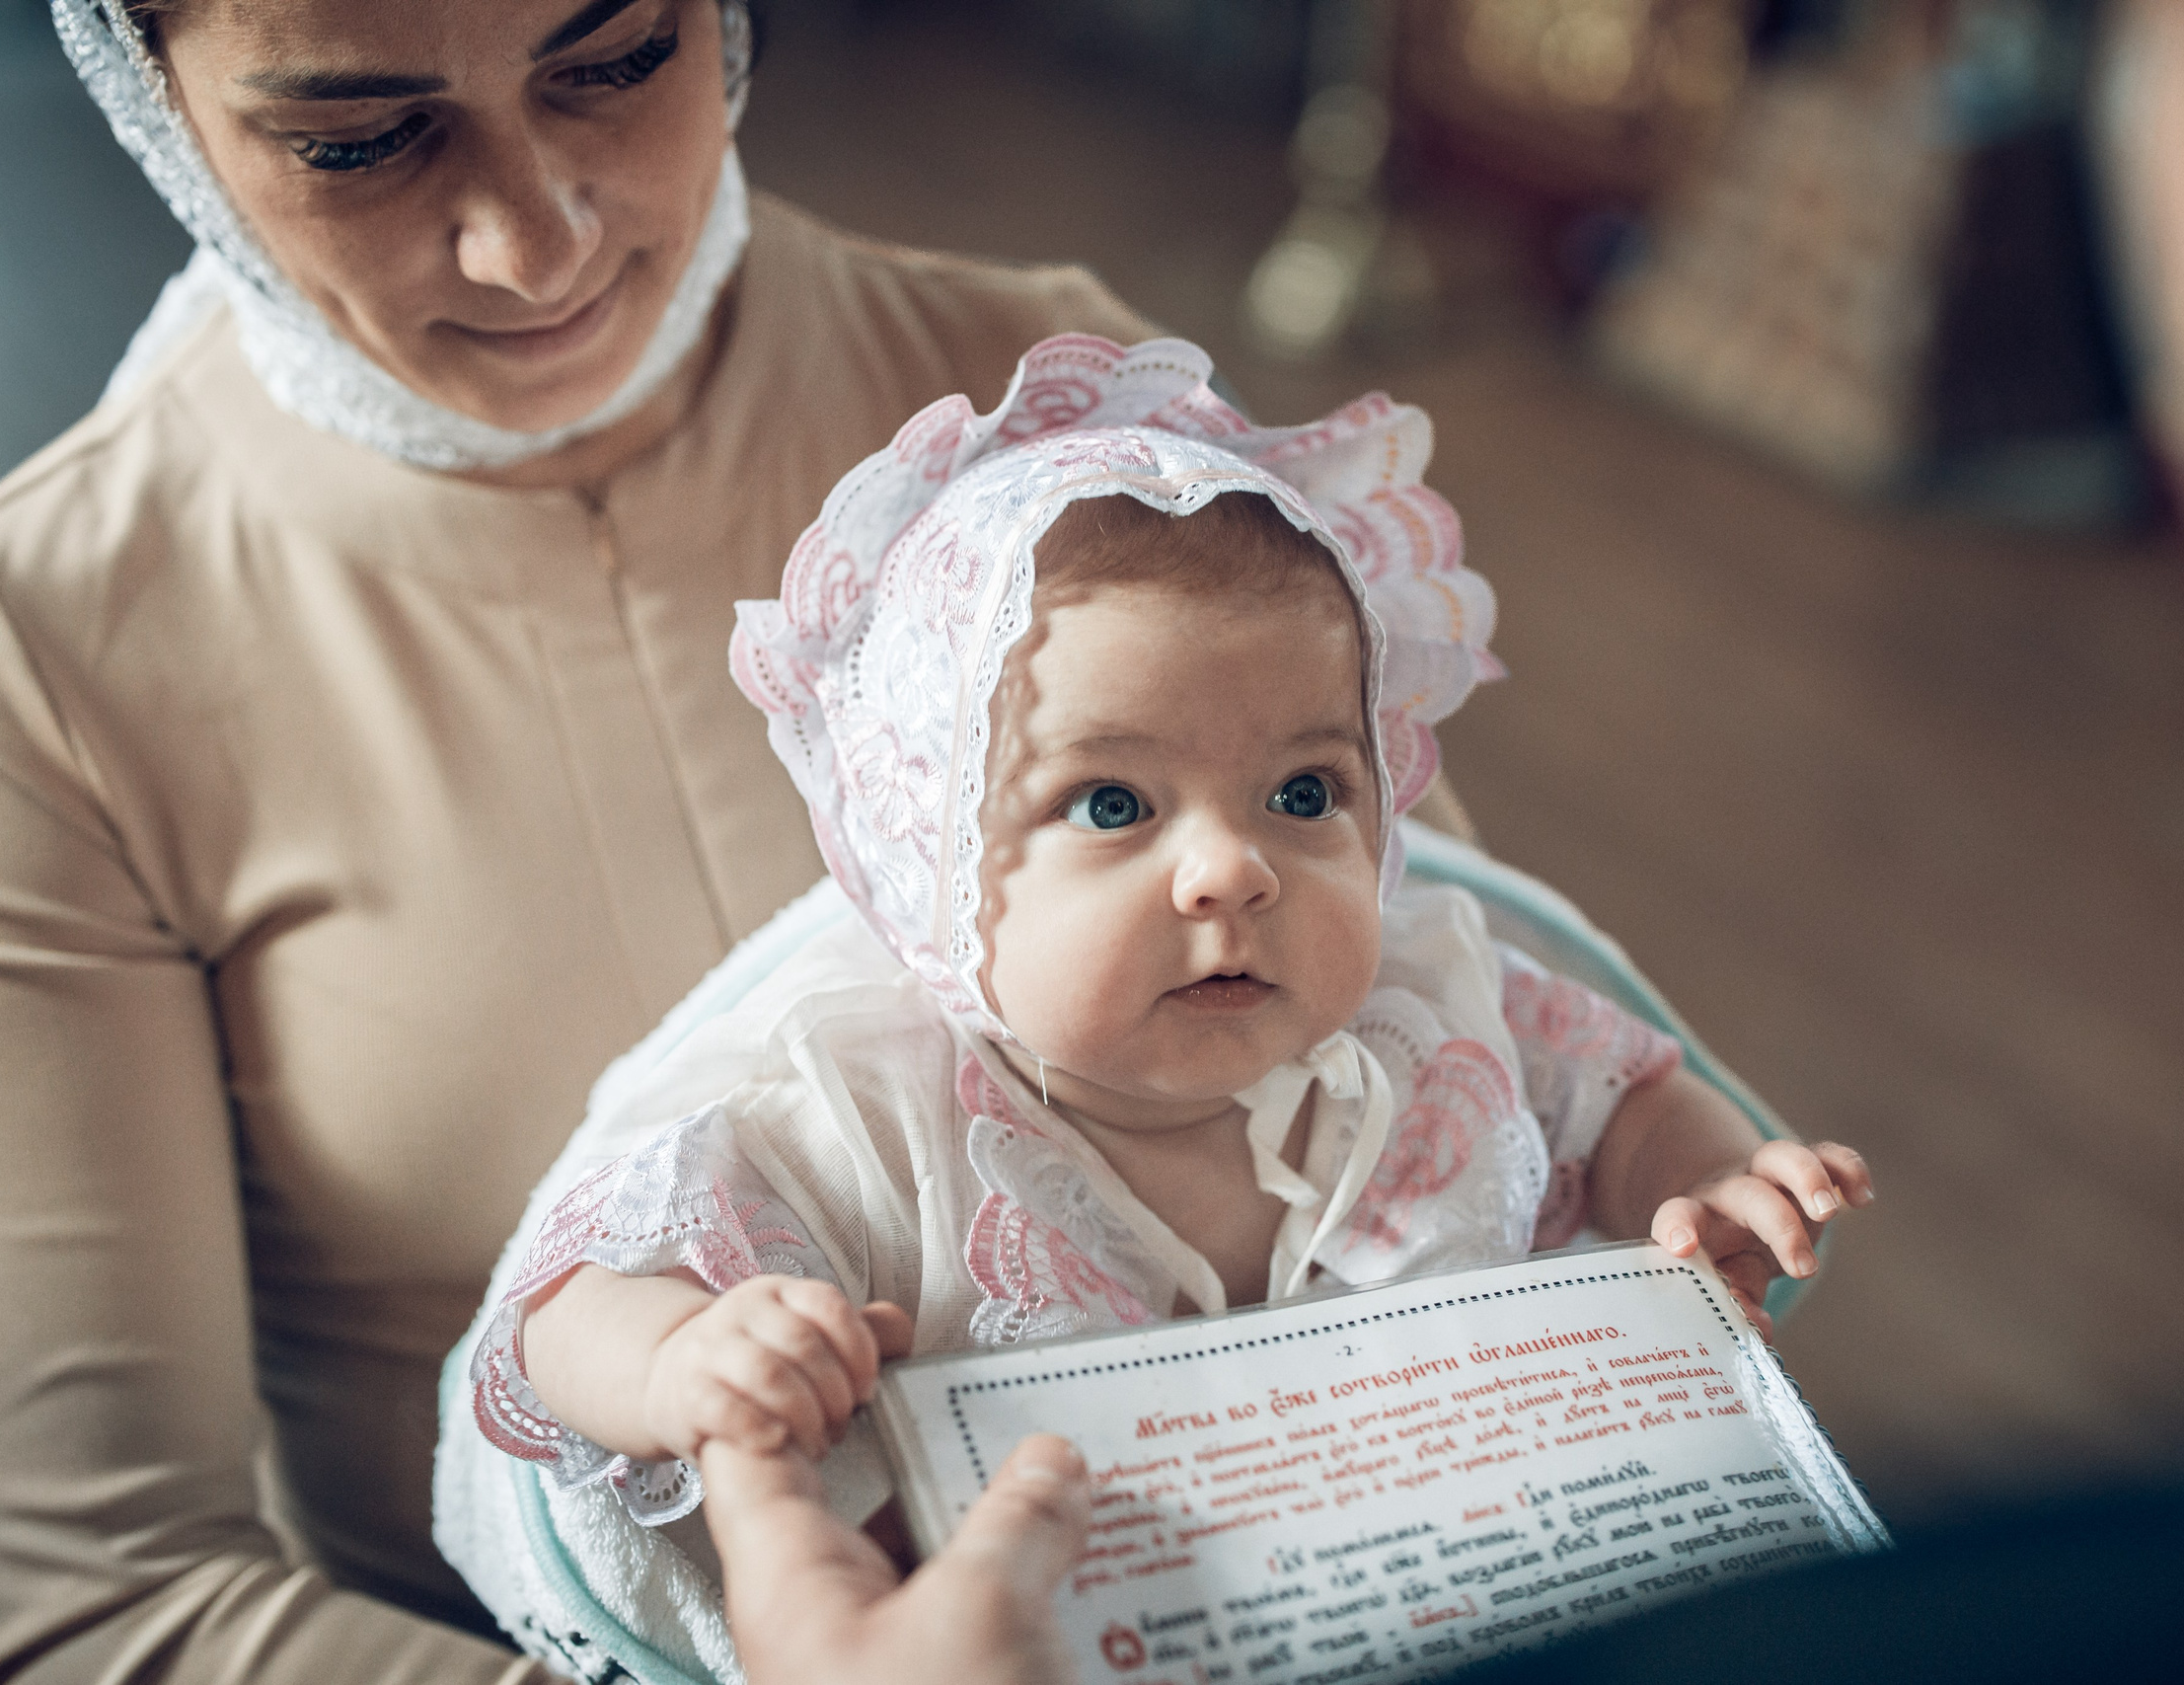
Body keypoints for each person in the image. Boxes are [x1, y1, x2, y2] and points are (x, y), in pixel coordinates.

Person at [0, 2, 1201, 1680]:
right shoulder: (20, 666)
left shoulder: (1057, 409)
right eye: (357, 140)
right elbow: (111, 1608)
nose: (537, 244)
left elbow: (1472, 1051)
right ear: (152, 108)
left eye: (612, 64)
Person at [452, 335, 1872, 1675]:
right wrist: (685, 1359)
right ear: (929, 866)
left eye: (1306, 793)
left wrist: (1709, 1184)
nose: (1232, 869)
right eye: (1113, 803)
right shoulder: (861, 1118)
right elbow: (559, 1313)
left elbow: (1620, 1101)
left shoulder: (1442, 1016)